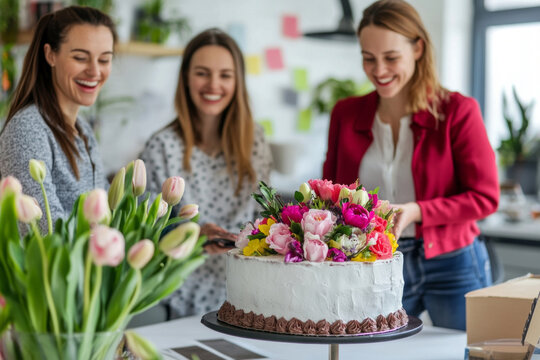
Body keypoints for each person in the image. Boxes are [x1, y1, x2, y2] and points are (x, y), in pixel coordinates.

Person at [322, 0, 499, 330]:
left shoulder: (458, 111)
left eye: (391, 58)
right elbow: (330, 195)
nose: (379, 71)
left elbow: (485, 198)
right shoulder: (345, 114)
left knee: (468, 350)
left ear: (418, 48)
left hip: (453, 261)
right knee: (373, 353)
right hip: (375, 261)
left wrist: (417, 211)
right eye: (368, 58)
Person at [140, 28, 272, 318]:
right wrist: (193, 236)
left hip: (246, 292)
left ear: (237, 82)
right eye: (202, 73)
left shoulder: (255, 142)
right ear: (186, 78)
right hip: (176, 292)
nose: (213, 84)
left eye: (225, 75)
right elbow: (144, 232)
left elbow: (266, 220)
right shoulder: (161, 147)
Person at [0, 6, 116, 232]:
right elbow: (43, 229)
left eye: (104, 59)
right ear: (50, 54)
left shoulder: (82, 130)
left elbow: (105, 203)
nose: (94, 71)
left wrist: (172, 217)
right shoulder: (29, 129)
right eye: (80, 57)